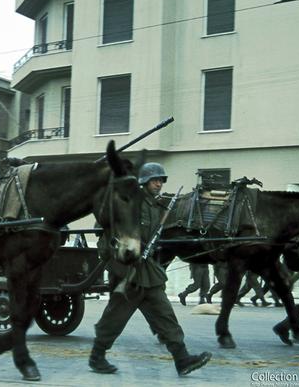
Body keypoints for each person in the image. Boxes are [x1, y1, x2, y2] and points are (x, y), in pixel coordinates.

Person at [89, 162, 212, 377]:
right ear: (144, 182)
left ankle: (182, 359)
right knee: (115, 317)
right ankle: (97, 356)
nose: (159, 183)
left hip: (146, 270)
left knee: (164, 315)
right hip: (126, 270)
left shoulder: (157, 207)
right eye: (155, 180)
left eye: (161, 180)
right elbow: (105, 228)